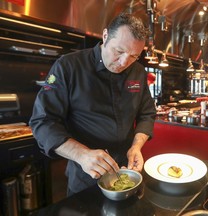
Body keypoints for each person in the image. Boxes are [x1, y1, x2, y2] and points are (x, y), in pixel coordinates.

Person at [29, 13, 156, 196]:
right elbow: (42, 121)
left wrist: (136, 146)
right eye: (119, 51)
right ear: (105, 36)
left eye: (133, 56)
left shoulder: (138, 72)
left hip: (126, 169)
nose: (124, 63)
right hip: (85, 174)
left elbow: (147, 113)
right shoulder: (67, 66)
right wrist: (82, 155)